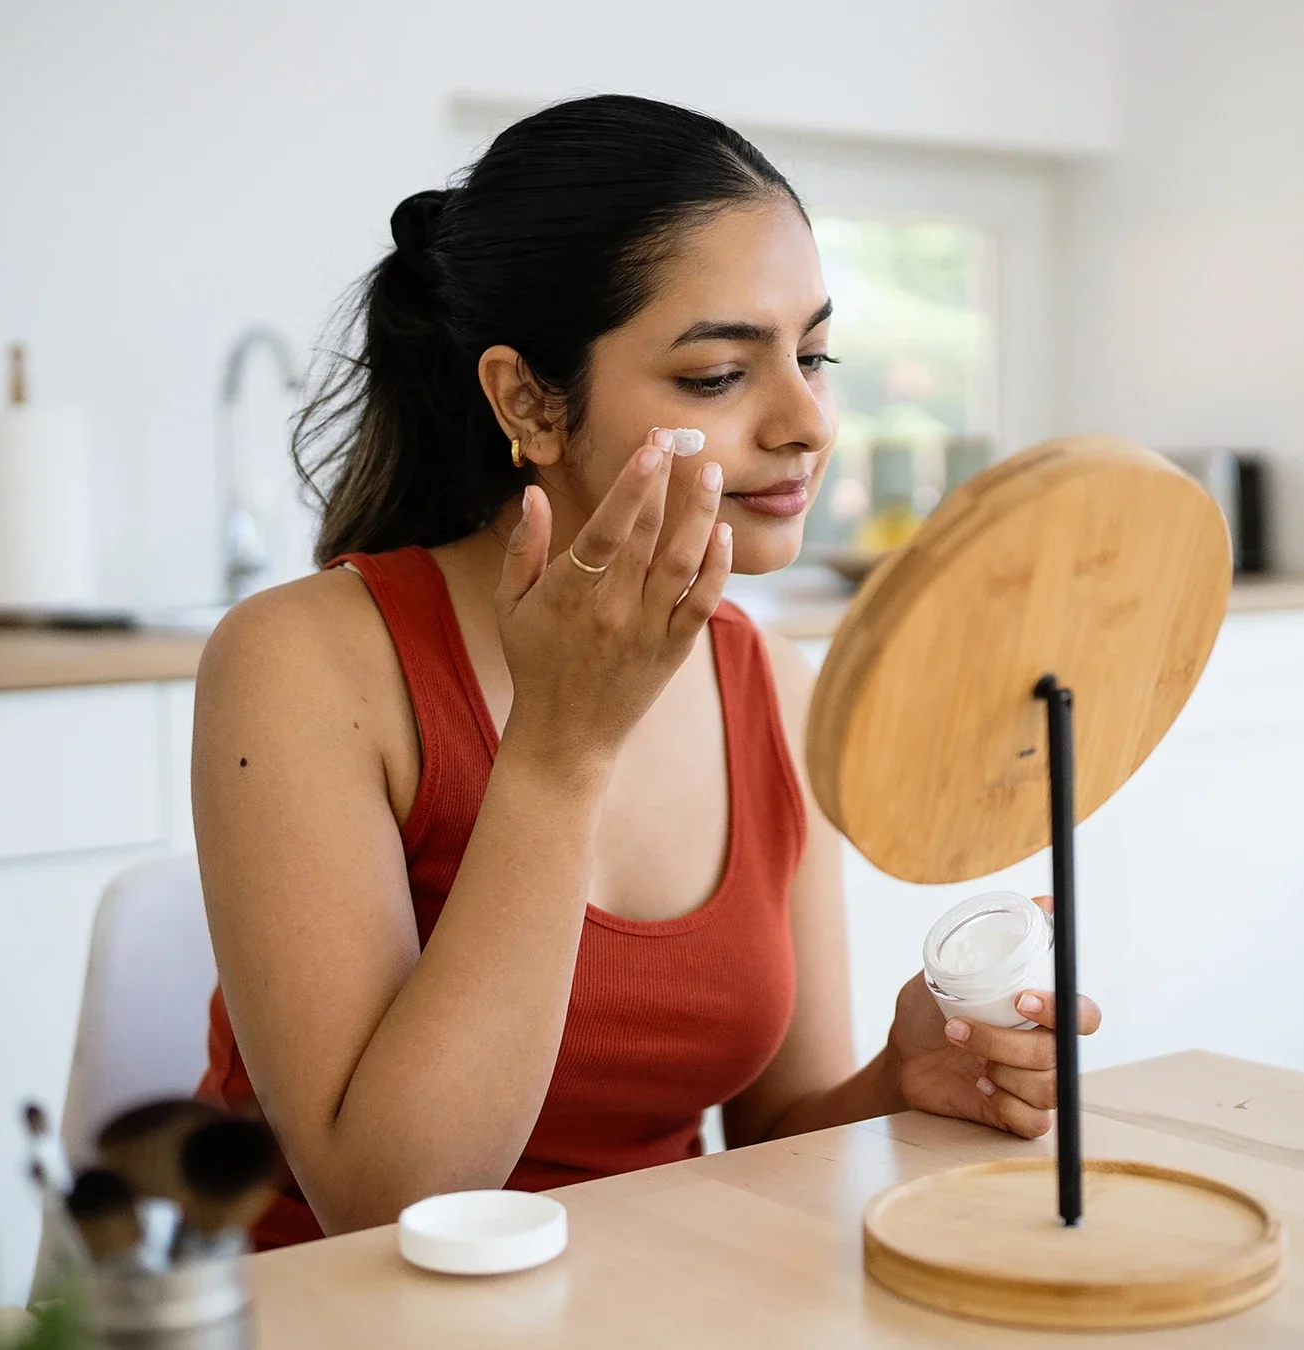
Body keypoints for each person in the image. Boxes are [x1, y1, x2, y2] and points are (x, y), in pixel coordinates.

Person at [192, 94, 1099, 1248]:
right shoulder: (305, 664)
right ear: (528, 400)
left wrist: (903, 1080)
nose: (808, 422)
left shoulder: (771, 681)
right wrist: (563, 749)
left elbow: (776, 1134)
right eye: (719, 375)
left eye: (816, 356)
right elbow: (391, 1209)